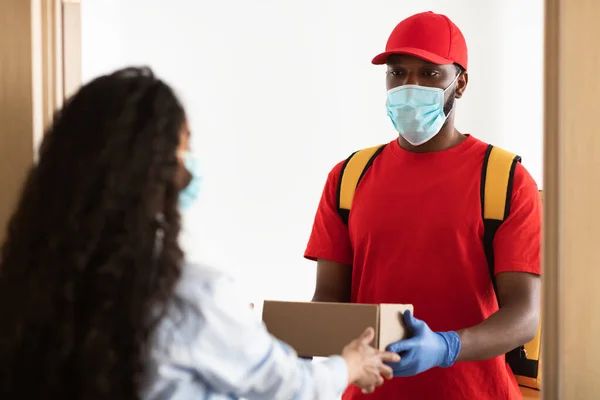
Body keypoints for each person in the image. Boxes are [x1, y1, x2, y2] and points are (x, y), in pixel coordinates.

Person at [0, 67, 399, 399]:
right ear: (152, 170)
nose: (190, 165)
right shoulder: (190, 294)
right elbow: (287, 388)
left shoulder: (26, 283)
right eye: (183, 148)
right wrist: (349, 364)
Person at [304, 11, 542, 400]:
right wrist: (295, 346)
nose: (409, 86)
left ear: (459, 83)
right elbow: (330, 298)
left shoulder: (503, 179)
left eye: (429, 74)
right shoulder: (349, 176)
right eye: (397, 73)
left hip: (475, 393)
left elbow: (523, 316)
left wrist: (447, 347)